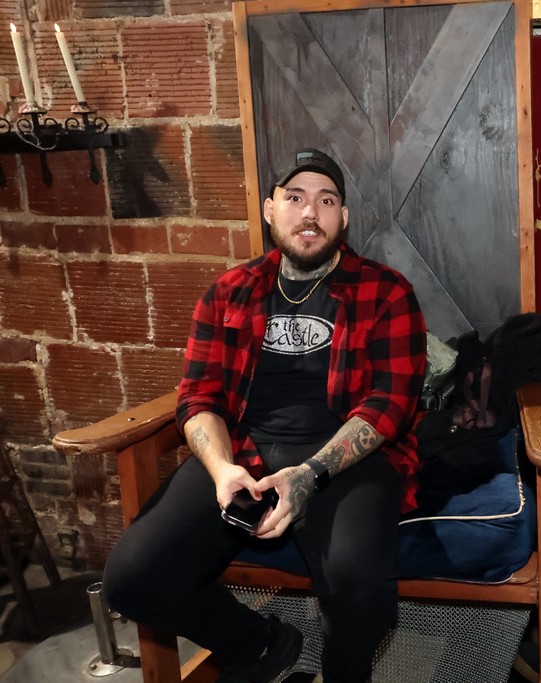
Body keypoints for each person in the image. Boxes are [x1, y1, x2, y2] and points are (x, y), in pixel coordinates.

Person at [102, 148, 427, 683]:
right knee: (132, 580)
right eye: (295, 198)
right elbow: (198, 397)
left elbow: (390, 404)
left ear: (343, 218)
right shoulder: (230, 291)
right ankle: (262, 645)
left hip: (344, 460)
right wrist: (221, 469)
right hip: (245, 453)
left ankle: (342, 674)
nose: (310, 213)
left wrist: (310, 474)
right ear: (270, 209)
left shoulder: (387, 292)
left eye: (326, 201)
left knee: (359, 589)